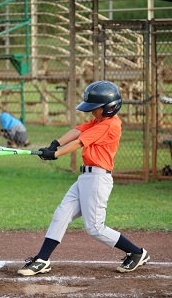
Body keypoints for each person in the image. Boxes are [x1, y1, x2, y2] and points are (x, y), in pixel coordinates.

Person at [18, 80, 150, 276]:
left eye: (95, 108)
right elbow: (79, 130)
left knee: (95, 228)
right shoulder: (98, 121)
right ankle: (42, 259)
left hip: (98, 180)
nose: (92, 112)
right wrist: (55, 143)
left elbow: (79, 142)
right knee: (61, 214)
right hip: (85, 179)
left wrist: (54, 155)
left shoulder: (110, 125)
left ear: (109, 108)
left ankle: (137, 252)